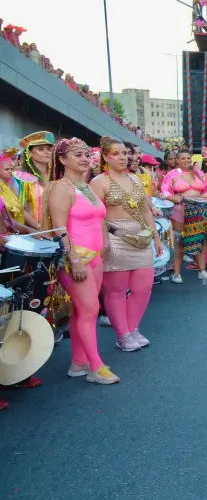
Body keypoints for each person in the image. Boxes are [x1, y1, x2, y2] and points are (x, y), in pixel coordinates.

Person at [42, 138, 119, 384]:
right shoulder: (61, 188)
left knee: (83, 312)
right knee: (90, 310)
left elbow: (99, 220)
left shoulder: (86, 186)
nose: (85, 159)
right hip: (76, 258)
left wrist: (105, 244)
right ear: (62, 159)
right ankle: (96, 367)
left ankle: (79, 363)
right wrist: (73, 259)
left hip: (95, 257)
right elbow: (59, 227)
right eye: (77, 155)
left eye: (86, 154)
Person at [90, 137, 162, 352]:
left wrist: (156, 238)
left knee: (143, 287)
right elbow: (97, 216)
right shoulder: (98, 182)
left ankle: (132, 328)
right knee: (117, 290)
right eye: (116, 154)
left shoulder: (137, 180)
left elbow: (145, 210)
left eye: (125, 153)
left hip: (141, 237)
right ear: (105, 157)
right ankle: (122, 334)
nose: (123, 157)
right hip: (114, 238)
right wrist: (104, 241)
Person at [161, 149, 207, 283]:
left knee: (199, 240)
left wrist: (202, 197)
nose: (186, 161)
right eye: (183, 158)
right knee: (180, 242)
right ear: (177, 160)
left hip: (199, 210)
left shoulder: (199, 173)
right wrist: (177, 198)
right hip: (180, 211)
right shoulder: (171, 175)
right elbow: (165, 193)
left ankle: (202, 270)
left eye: (188, 158)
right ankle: (177, 273)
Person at [13, 131, 55, 230]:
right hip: (34, 232)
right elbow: (18, 207)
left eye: (49, 149)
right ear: (30, 153)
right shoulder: (20, 178)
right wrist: (38, 227)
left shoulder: (57, 177)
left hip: (59, 230)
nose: (47, 152)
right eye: (41, 149)